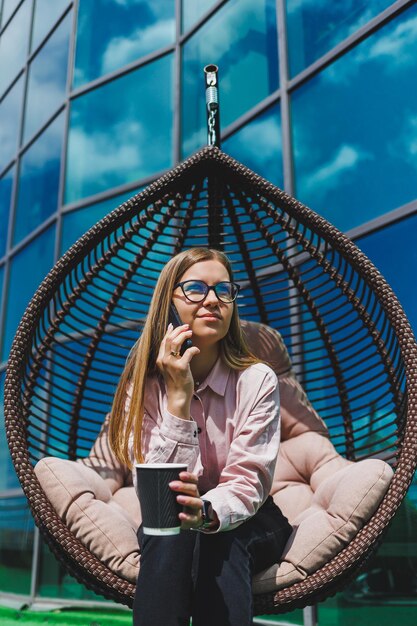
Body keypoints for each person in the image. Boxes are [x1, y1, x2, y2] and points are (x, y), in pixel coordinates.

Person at [109, 247, 292, 626]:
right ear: (169, 302)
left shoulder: (257, 380)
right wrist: (177, 398)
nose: (212, 299)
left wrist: (206, 513)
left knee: (219, 540)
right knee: (168, 532)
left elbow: (248, 480)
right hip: (172, 517)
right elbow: (159, 499)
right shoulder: (141, 386)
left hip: (251, 517)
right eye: (195, 288)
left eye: (223, 290)